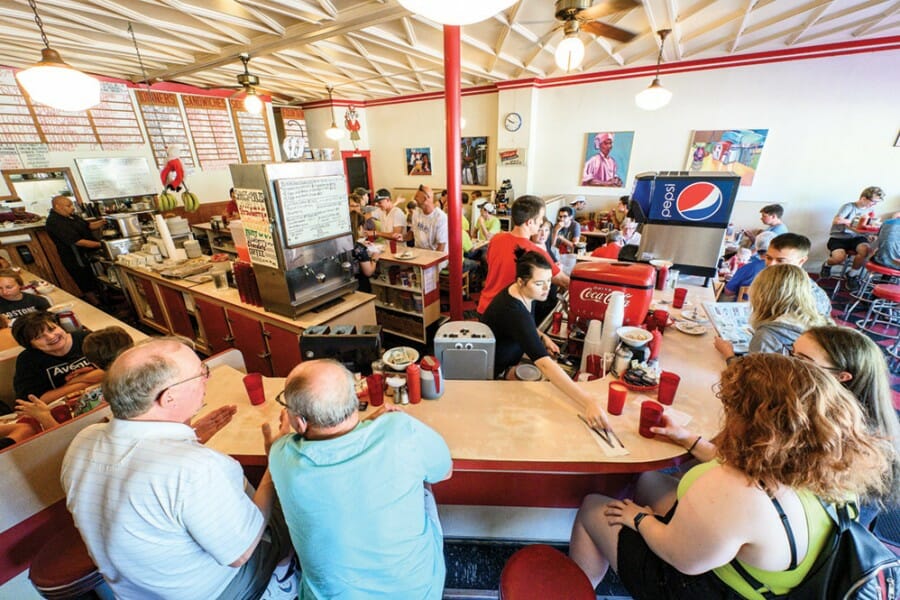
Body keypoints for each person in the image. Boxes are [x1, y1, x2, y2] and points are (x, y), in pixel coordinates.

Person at [569, 353, 889, 598]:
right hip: (777, 572)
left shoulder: (731, 491)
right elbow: (746, 469)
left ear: (752, 421)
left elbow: (682, 559)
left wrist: (640, 520)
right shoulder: (824, 465)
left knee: (593, 507)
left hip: (705, 586)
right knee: (647, 479)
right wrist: (687, 440)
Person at [61, 338, 291, 600]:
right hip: (217, 591)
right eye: (201, 373)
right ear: (169, 397)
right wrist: (276, 464)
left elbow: (142, 470)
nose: (207, 378)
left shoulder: (84, 439)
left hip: (138, 591)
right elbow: (241, 553)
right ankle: (286, 578)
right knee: (292, 503)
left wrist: (188, 437)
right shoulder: (195, 468)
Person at [267, 359, 452, 599]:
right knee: (422, 479)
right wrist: (372, 426)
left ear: (300, 422)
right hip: (418, 592)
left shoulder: (281, 456)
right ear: (355, 400)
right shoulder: (400, 429)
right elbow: (445, 472)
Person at [481, 249, 609, 428]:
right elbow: (545, 365)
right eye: (539, 283)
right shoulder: (514, 311)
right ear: (520, 281)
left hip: (507, 360)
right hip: (495, 372)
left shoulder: (522, 293)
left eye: (549, 281)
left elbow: (524, 328)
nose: (546, 288)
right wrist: (589, 401)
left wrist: (542, 336)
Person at [792, 326, 900, 518]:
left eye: (801, 360)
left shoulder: (853, 441)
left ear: (841, 377)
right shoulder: (818, 400)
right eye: (791, 353)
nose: (788, 364)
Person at [715, 264, 832, 361]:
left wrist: (729, 355)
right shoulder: (822, 321)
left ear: (761, 294)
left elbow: (750, 380)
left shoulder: (767, 336)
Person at [477, 195, 569, 314]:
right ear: (530, 222)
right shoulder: (536, 251)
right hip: (511, 313)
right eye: (540, 218)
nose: (541, 222)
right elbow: (563, 281)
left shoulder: (496, 239)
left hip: (486, 307)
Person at [12, 311, 103, 402]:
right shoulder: (27, 360)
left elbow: (114, 369)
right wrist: (85, 380)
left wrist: (75, 381)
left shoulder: (87, 338)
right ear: (31, 345)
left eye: (52, 329)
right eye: (39, 337)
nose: (51, 337)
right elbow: (34, 400)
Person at [45, 195, 104, 303]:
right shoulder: (54, 222)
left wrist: (103, 221)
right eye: (68, 206)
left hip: (87, 252)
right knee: (83, 278)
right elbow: (77, 241)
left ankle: (105, 297)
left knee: (94, 276)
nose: (72, 207)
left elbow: (88, 226)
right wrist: (101, 245)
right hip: (74, 255)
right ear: (58, 207)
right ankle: (97, 304)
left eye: (71, 205)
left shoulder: (71, 216)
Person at [822, 185, 883, 278]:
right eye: (873, 202)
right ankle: (827, 265)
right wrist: (856, 222)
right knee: (839, 258)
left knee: (866, 250)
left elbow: (867, 226)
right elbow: (837, 220)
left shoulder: (870, 210)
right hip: (839, 238)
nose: (874, 204)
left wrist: (870, 235)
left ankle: (852, 274)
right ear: (863, 198)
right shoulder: (849, 206)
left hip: (857, 238)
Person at [764, 233, 832, 315]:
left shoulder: (810, 297)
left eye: (780, 260)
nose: (771, 264)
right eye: (768, 258)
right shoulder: (770, 278)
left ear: (801, 261)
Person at [722, 231, 775, 300]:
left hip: (742, 307)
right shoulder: (781, 269)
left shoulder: (749, 267)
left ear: (757, 247)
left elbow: (728, 292)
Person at [405, 185, 447, 255]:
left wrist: (430, 262)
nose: (414, 200)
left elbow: (441, 246)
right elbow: (412, 233)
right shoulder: (416, 212)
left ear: (425, 199)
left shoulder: (440, 217)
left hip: (433, 257)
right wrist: (401, 237)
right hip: (417, 255)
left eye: (416, 197)